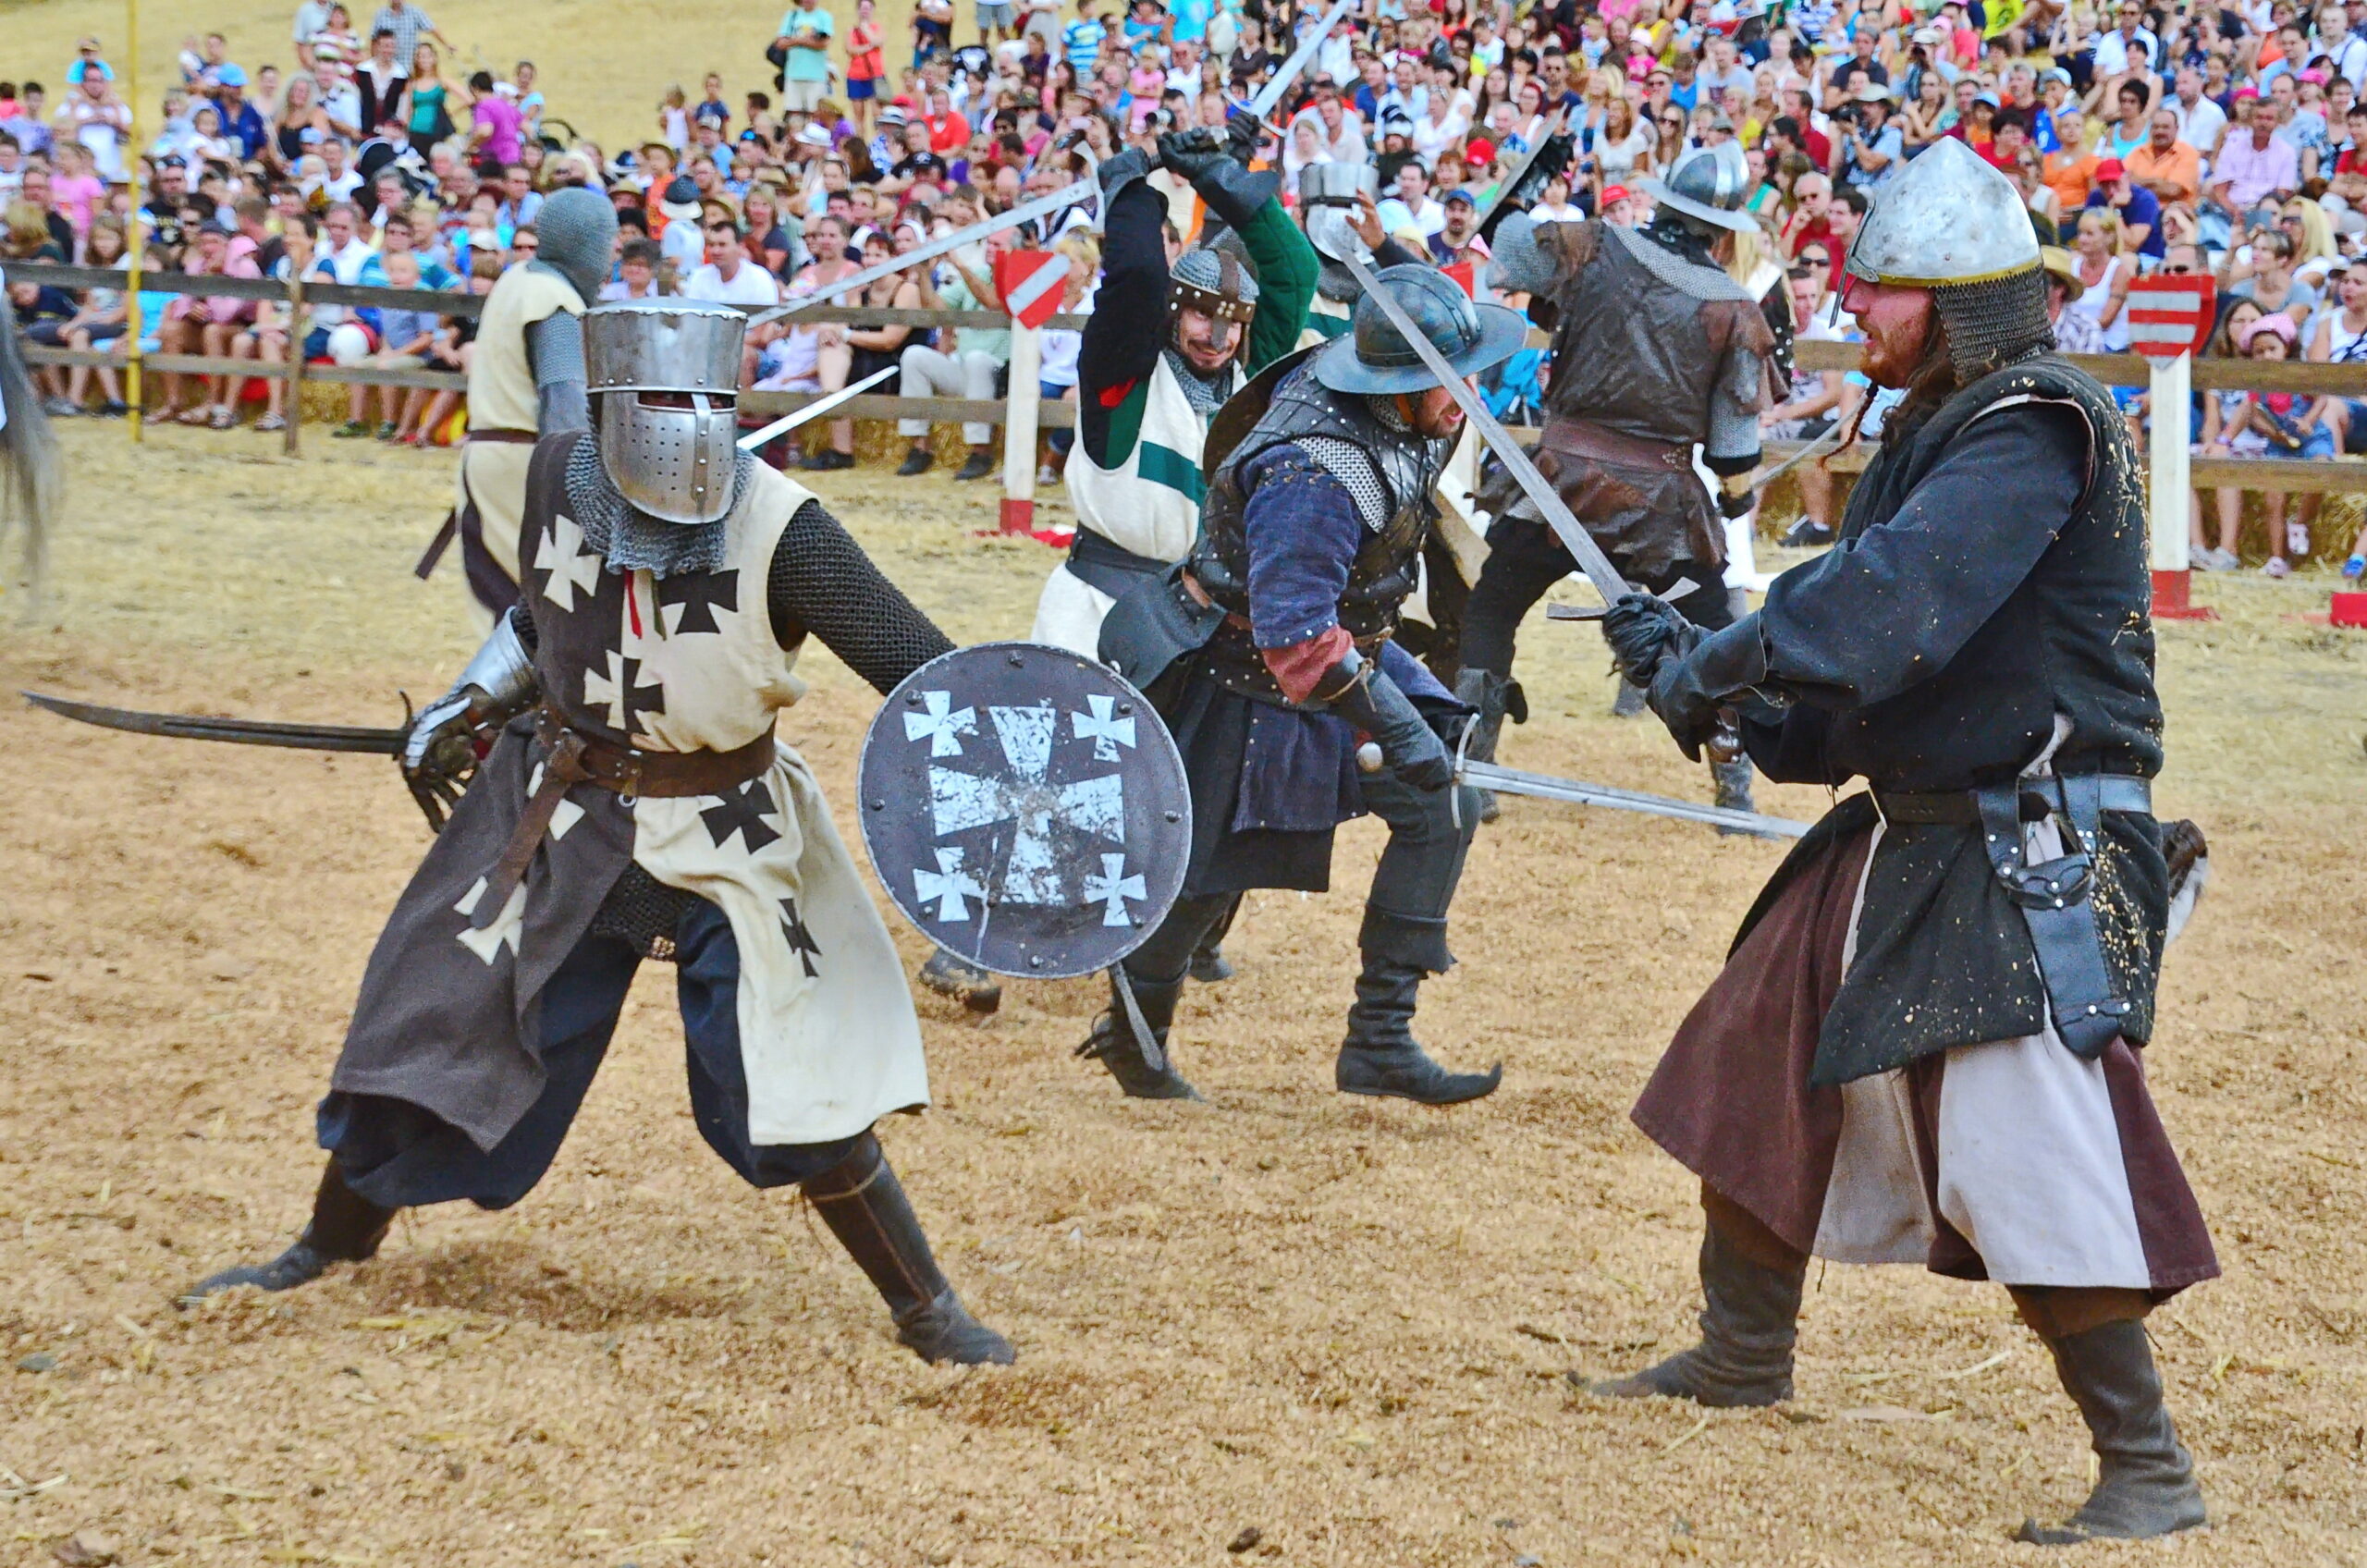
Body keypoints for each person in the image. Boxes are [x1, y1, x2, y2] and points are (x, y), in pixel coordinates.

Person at [181, 300, 1013, 1370]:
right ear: (612, 400)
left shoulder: (785, 528)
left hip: (728, 835)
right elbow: (543, 616)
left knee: (786, 1065)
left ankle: (926, 1310)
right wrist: (469, 700)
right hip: (565, 817)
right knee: (437, 1011)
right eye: (656, 398)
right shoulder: (560, 479)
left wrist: (1020, 795)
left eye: (700, 399)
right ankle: (328, 1243)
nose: (681, 422)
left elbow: (926, 676)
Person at [1593, 140, 2214, 1547]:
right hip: (1916, 825)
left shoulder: (2037, 423)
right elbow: (1857, 693)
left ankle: (2147, 1467)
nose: (1852, 310)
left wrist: (1729, 654)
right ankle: (1742, 1353)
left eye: (1878, 290)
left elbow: (1892, 601)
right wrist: (1703, 670)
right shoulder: (1937, 430)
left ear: (1959, 301)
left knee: (2020, 1141)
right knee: (1756, 1042)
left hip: (2027, 841)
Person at [1087, 265, 1524, 1105]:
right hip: (1246, 669)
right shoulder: (1314, 474)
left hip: (1347, 641)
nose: (1467, 396)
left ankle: (1379, 1042)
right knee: (1205, 877)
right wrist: (1398, 728)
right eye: (1450, 378)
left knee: (1443, 807)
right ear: (1398, 381)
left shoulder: (1406, 411)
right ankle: (1135, 1041)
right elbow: (1295, 635)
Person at [1466, 142, 1772, 819]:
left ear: (1664, 202)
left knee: (1491, 609)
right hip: (1661, 505)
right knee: (1718, 635)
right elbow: (1731, 448)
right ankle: (1735, 796)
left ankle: (1469, 769)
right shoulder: (1734, 307)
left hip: (1559, 486)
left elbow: (1504, 243)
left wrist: (1526, 186)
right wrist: (1737, 497)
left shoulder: (1592, 245)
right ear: (1723, 230)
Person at [416, 187, 616, 629]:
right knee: (542, 610)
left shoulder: (517, 280)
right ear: (583, 244)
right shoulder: (551, 300)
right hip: (524, 466)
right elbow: (564, 406)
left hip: (490, 460)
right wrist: (582, 481)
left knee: (510, 602)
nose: (610, 256)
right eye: (606, 243)